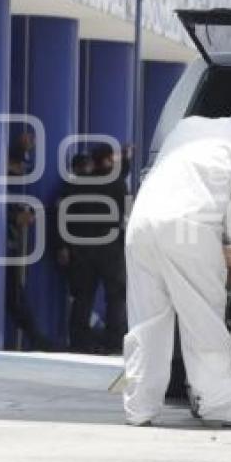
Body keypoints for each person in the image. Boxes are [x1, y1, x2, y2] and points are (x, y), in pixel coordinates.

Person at [123, 108, 231, 428]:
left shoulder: (187, 126)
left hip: (141, 223)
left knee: (146, 321)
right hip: (188, 229)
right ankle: (217, 403)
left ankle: (140, 407)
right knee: (203, 319)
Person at [58, 145, 131, 354]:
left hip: (82, 248)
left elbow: (66, 216)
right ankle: (114, 341)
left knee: (83, 296)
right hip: (110, 248)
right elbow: (128, 215)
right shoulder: (118, 185)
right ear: (108, 160)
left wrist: (65, 245)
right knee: (115, 296)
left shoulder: (78, 184)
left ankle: (79, 341)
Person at [6, 134, 53, 351]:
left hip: (8, 244)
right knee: (14, 295)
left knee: (15, 294)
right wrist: (15, 217)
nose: (22, 171)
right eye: (19, 165)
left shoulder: (13, 183)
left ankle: (36, 337)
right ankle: (36, 338)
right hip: (2, 246)